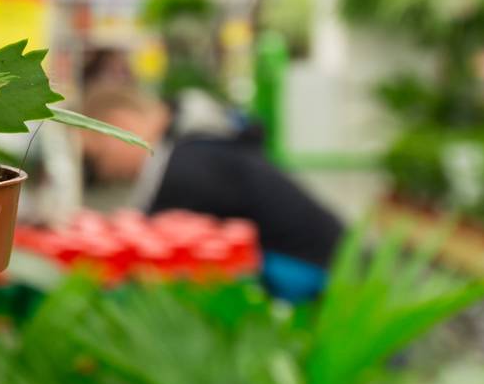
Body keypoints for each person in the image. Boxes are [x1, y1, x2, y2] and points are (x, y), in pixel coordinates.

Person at [78, 83, 343, 274]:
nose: (103, 172)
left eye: (97, 156)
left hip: (315, 273)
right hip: (327, 257)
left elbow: (156, 237)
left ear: (119, 123)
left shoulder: (185, 165)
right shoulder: (195, 141)